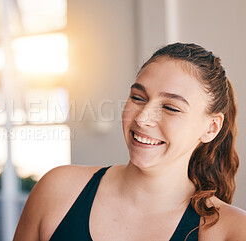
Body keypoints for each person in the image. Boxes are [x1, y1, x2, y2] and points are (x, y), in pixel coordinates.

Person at [14, 43, 246, 241]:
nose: (143, 117)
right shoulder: (58, 189)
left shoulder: (232, 231)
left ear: (211, 127)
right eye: (137, 97)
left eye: (171, 108)